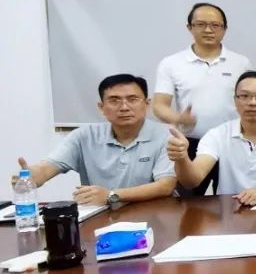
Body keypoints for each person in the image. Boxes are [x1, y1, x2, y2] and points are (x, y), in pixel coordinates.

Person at [13, 74, 176, 205]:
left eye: (132, 99)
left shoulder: (166, 135)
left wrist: (111, 195)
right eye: (114, 101)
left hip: (153, 214)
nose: (124, 107)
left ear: (147, 104)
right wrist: (31, 176)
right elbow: (48, 167)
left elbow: (165, 185)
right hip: (101, 216)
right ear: (101, 107)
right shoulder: (84, 135)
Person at [152, 2, 251, 195]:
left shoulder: (241, 63)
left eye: (215, 25)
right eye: (201, 24)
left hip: (233, 143)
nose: (208, 30)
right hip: (190, 144)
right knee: (187, 202)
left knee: (236, 200)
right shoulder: (172, 63)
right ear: (189, 27)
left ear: (224, 29)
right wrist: (178, 118)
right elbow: (159, 106)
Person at [166, 71, 256, 204]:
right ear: (235, 101)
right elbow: (192, 181)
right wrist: (182, 158)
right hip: (231, 209)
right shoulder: (217, 134)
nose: (252, 102)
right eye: (244, 96)